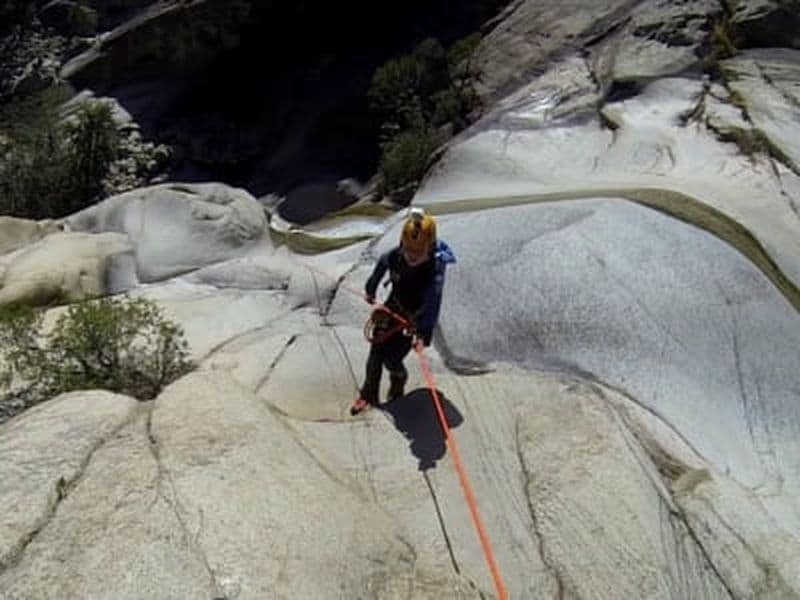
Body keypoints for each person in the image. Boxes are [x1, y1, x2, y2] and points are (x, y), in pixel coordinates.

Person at [351, 207, 456, 415]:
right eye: (409, 248)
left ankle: (398, 377)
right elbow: (382, 263)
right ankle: (368, 394)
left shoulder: (433, 272)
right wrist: (371, 288)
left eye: (418, 251)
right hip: (393, 306)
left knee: (392, 358)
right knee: (377, 348)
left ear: (431, 246)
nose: (412, 255)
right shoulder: (396, 256)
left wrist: (423, 334)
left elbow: (433, 302)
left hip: (412, 318)